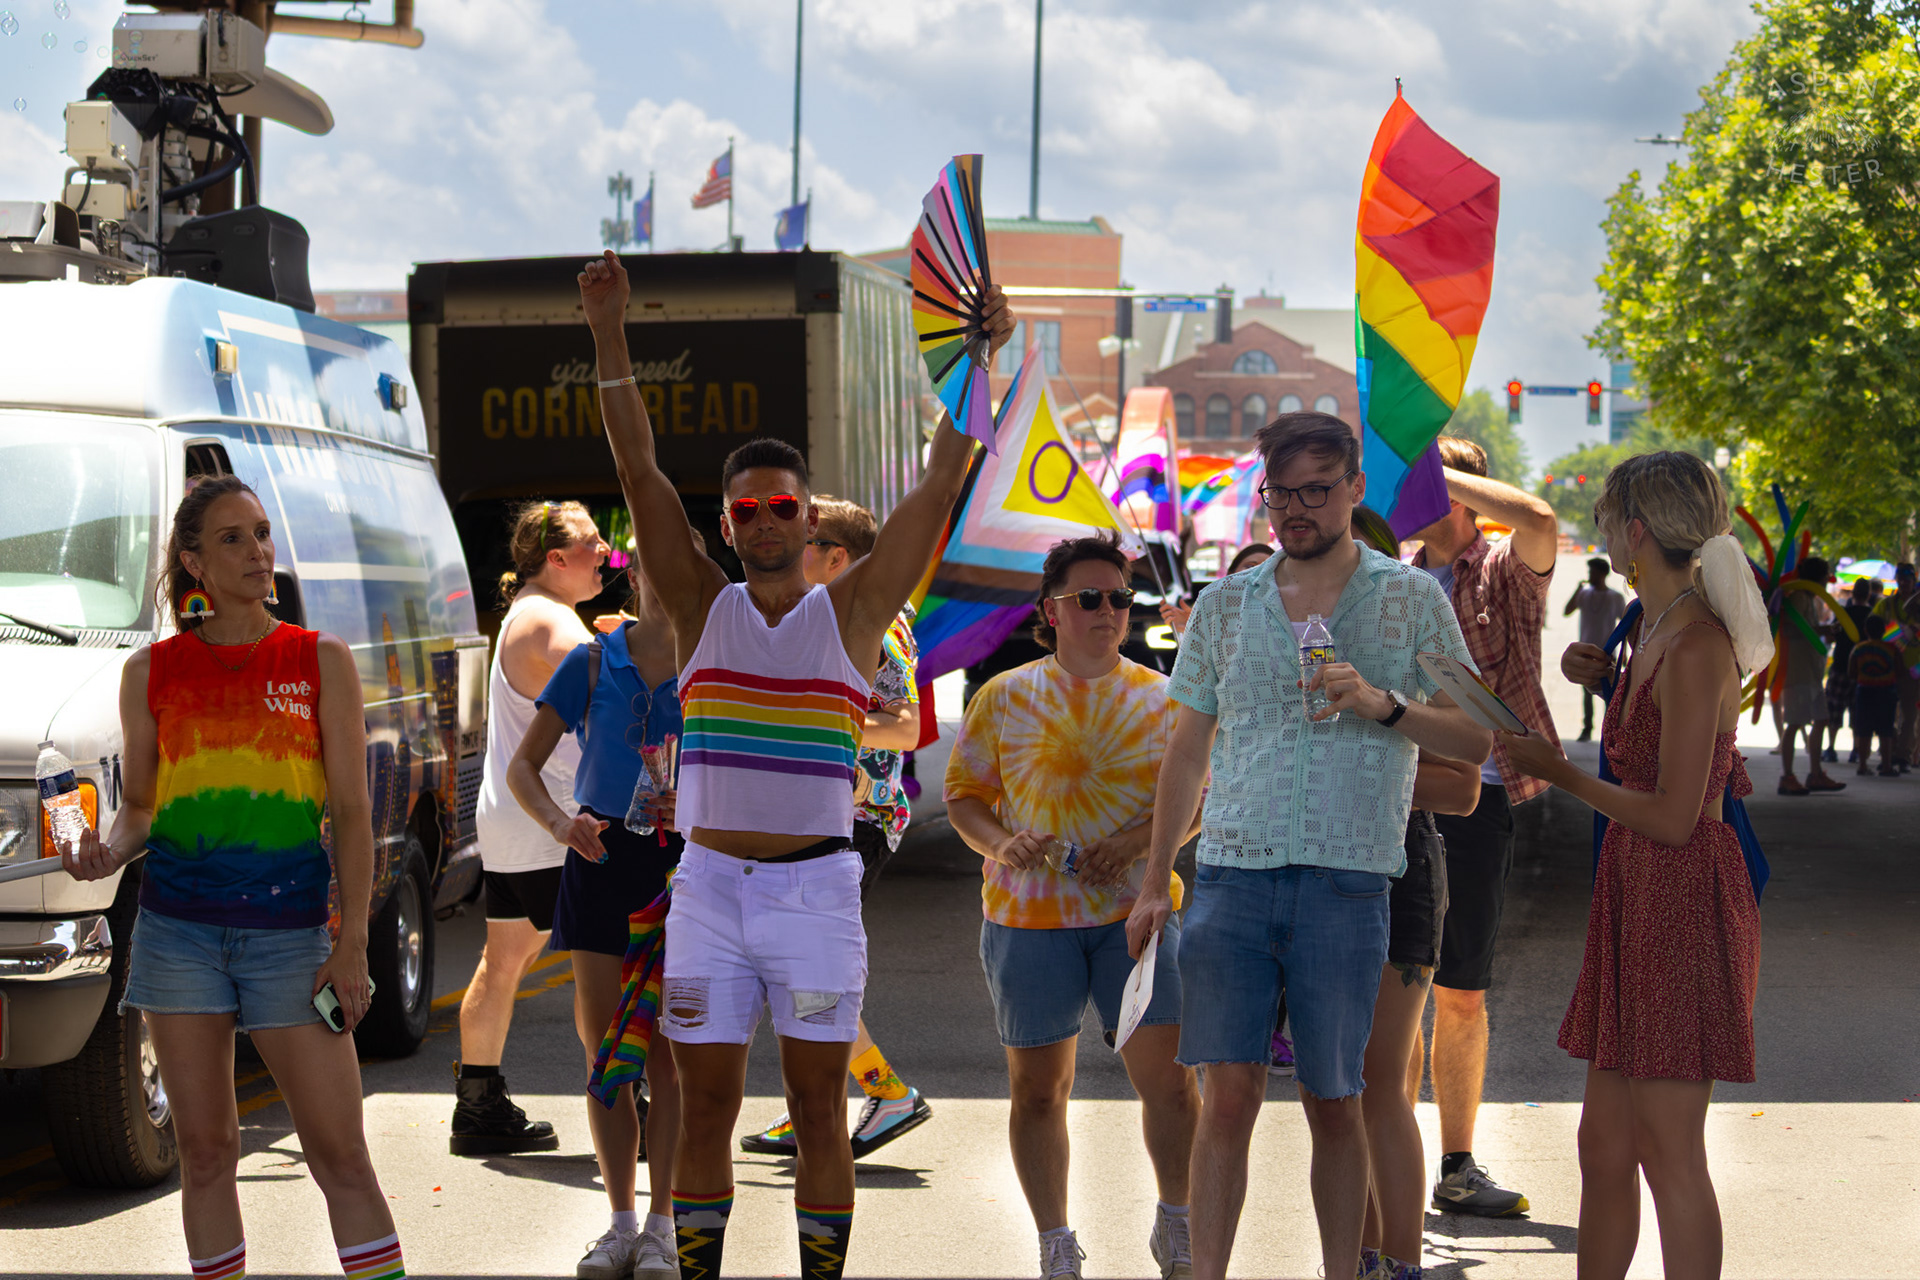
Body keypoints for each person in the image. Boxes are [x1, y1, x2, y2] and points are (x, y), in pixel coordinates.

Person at [578, 248, 1012, 1280]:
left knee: (821, 1104)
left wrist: (978, 361)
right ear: (724, 524)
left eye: (784, 506)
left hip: (817, 893)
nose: (767, 521)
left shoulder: (855, 612)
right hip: (710, 893)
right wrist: (607, 334)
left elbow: (943, 478)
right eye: (746, 509)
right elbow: (639, 468)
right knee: (706, 1111)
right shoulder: (696, 602)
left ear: (810, 516)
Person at [1125, 412, 1492, 1280]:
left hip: (1350, 879)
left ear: (1355, 490)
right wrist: (1152, 882)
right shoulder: (1225, 604)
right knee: (1227, 1103)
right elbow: (1186, 749)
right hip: (1231, 877)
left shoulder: (1410, 599)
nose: (1296, 509)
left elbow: (1477, 740)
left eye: (1317, 490)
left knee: (1339, 1102)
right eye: (1280, 492)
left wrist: (1381, 703)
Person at [65, 475, 407, 1280]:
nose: (257, 551)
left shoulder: (318, 658)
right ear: (193, 562)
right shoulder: (149, 673)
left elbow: (354, 814)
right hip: (177, 937)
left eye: (260, 533)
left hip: (292, 939)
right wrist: (107, 853)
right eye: (232, 538)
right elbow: (141, 809)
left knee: (340, 1157)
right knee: (207, 1153)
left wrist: (351, 940)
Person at [1502, 450, 1773, 1279]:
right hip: (1638, 892)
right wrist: (1607, 674)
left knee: (1668, 1150)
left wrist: (1564, 775)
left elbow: (1676, 814)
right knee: (1604, 1147)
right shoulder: (1648, 625)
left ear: (1639, 531)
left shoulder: (1694, 644)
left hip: (1682, 895)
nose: (1598, 531)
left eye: (1607, 516)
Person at [946, 531, 1203, 1280]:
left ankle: (1177, 1221)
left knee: (1170, 1085)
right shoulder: (1005, 695)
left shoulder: (1164, 697)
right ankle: (1055, 1239)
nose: (1108, 610)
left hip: (1138, 921)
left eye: (1121, 597)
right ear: (1050, 612)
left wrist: (1133, 847)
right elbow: (965, 800)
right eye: (1089, 597)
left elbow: (1194, 803)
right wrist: (999, 843)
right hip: (1028, 924)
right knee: (1037, 1091)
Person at [509, 542, 697, 1280]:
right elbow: (525, 766)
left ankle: (664, 1225)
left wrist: (705, 811)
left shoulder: (715, 668)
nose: (669, 584)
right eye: (657, 568)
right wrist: (562, 825)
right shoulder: (590, 661)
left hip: (682, 866)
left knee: (669, 1057)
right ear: (638, 576)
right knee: (605, 1056)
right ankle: (619, 1222)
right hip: (599, 857)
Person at [741, 496, 935, 1160]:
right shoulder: (835, 616)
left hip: (853, 822)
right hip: (826, 817)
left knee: (802, 970)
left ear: (837, 559)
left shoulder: (871, 625)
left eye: (804, 549)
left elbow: (904, 725)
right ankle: (814, 1099)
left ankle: (886, 1094)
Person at [1405, 435, 1561, 1218]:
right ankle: (1392, 1154)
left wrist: (1440, 472)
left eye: (1433, 476)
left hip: (1480, 797)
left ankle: (1456, 1166)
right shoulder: (1390, 573)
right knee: (1399, 985)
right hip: (1396, 796)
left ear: (1468, 488)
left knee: (1461, 992)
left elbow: (1537, 517)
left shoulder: (1500, 564)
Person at [455, 501, 608, 1156]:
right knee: (601, 966)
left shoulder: (529, 613)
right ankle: (620, 1102)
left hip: (515, 822)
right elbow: (619, 687)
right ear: (556, 558)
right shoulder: (551, 621)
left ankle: (479, 1107)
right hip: (556, 823)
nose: (607, 553)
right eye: (594, 544)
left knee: (504, 960)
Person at [1774, 557, 1845, 795]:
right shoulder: (1798, 598)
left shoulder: (1808, 599)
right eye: (1826, 576)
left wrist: (1823, 634)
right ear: (1819, 577)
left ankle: (1815, 773)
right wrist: (1822, 630)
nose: (1828, 580)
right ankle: (1787, 776)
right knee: (1793, 724)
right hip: (1798, 672)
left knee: (1821, 719)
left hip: (1811, 673)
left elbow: (1806, 632)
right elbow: (1793, 629)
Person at [1564, 558, 1627, 742]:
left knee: (1611, 694)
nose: (1590, 575)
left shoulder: (1615, 597)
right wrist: (1577, 591)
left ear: (1603, 574)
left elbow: (1624, 625)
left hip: (1607, 653)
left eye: (1593, 572)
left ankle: (1610, 729)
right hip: (1586, 653)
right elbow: (1567, 611)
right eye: (1589, 572)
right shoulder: (1584, 594)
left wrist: (1624, 654)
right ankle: (1587, 727)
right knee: (1587, 693)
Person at [1160, 543, 1271, 637]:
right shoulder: (1210, 617)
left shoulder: (1283, 620)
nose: (1258, 574)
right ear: (1231, 574)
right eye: (1250, 566)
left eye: (1268, 569)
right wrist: (1197, 629)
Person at [1823, 578, 1876, 764]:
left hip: (1840, 666)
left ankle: (1830, 748)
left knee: (1834, 711)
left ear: (1853, 593)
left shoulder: (1843, 613)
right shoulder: (1872, 615)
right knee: (1857, 712)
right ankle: (1855, 750)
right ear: (1869, 594)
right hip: (1863, 670)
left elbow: (1831, 637)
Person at [1849, 620, 1909, 776]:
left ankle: (1862, 765)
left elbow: (1851, 672)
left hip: (1864, 691)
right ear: (1884, 631)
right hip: (1886, 691)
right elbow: (1901, 671)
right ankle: (1887, 766)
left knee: (1864, 730)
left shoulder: (1858, 649)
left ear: (1865, 630)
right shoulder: (1892, 649)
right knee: (1885, 730)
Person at [1875, 562, 1920, 770]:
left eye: (1908, 580)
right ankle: (1891, 750)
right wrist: (1898, 632)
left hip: (1914, 670)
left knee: (1909, 715)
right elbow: (1872, 628)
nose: (1904, 584)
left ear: (1914, 580)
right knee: (1886, 713)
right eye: (1900, 580)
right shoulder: (1886, 605)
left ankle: (1902, 755)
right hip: (1888, 668)